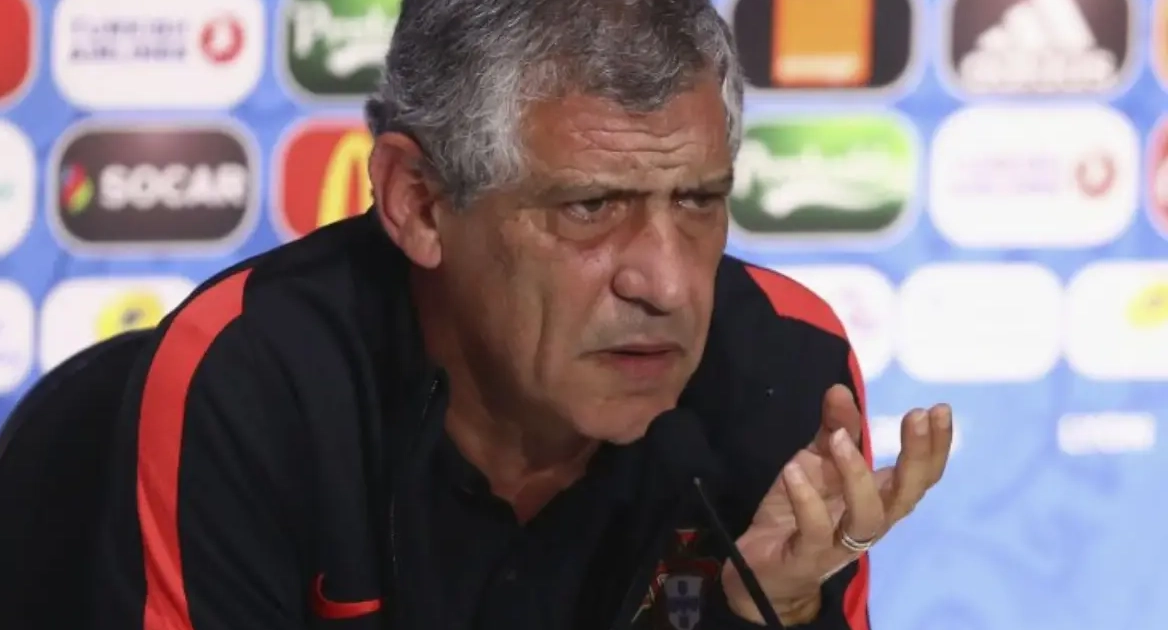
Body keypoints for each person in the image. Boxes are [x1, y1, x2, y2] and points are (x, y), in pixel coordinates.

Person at [89, 0, 954, 628]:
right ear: (419, 203)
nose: (668, 284)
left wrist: (769, 611)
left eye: (698, 200)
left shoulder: (787, 367)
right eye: (590, 208)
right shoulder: (255, 377)